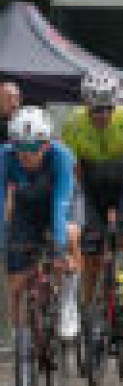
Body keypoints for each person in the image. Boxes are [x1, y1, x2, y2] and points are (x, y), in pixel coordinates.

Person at [62, 72, 123, 324]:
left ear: (115, 105)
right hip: (90, 188)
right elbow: (74, 175)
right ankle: (88, 315)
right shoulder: (73, 123)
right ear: (86, 106)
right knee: (91, 256)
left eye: (106, 109)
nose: (101, 116)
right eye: (95, 110)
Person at [2, 108, 80, 346]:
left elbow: (60, 205)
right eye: (20, 147)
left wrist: (59, 249)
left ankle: (68, 303)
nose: (25, 154)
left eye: (32, 147)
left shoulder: (61, 156)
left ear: (45, 145)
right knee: (16, 285)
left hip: (59, 202)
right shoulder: (5, 156)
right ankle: (22, 350)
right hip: (27, 208)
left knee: (69, 234)